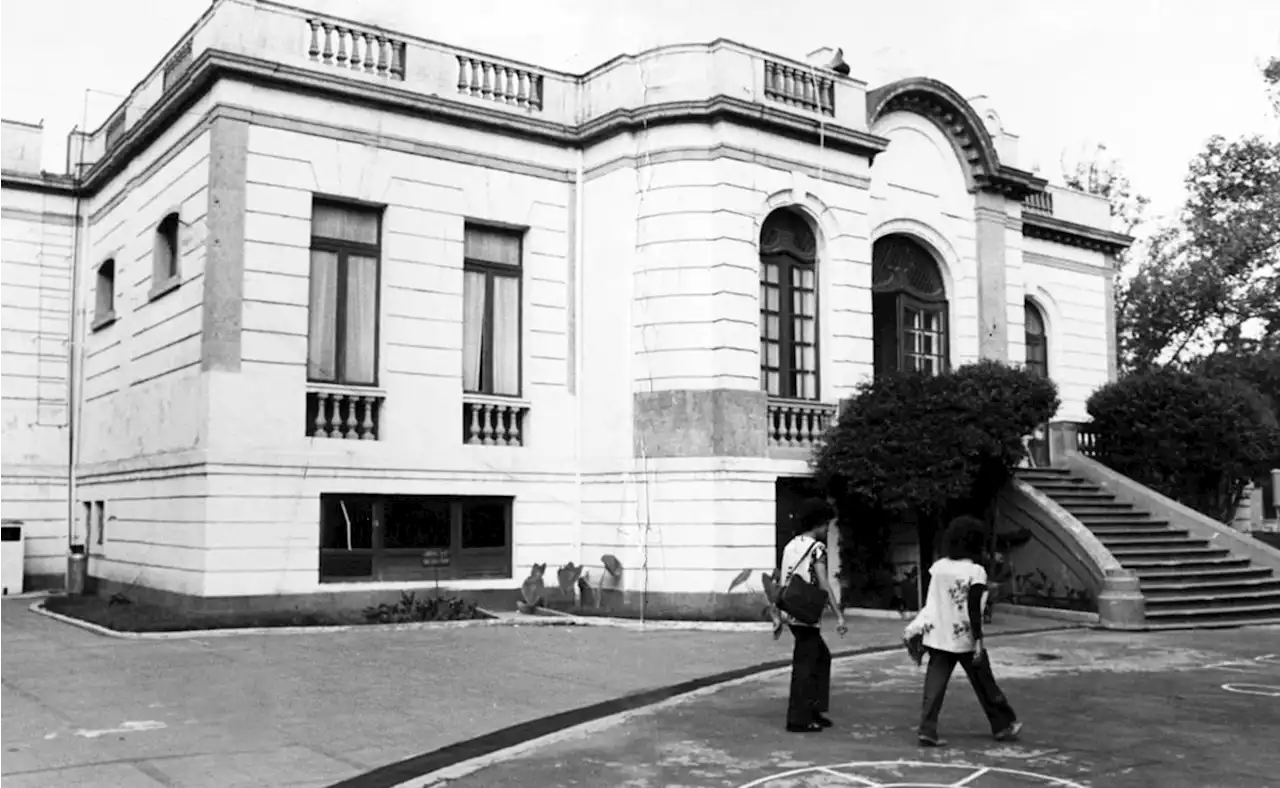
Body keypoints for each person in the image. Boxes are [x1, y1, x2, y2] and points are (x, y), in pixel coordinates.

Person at [904, 515, 1021, 747]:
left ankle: (927, 729)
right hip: (964, 637)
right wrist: (978, 640)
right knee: (984, 683)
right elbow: (973, 609)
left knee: (934, 686)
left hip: (938, 635)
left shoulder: (938, 568)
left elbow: (933, 601)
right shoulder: (975, 571)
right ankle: (1003, 725)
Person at [777, 497, 847, 733]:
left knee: (819, 657)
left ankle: (813, 709)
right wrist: (838, 614)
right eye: (826, 523)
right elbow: (824, 583)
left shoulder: (790, 545)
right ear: (818, 523)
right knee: (806, 664)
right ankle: (799, 717)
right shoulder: (817, 548)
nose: (827, 529)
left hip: (793, 611)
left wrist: (777, 615)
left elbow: (783, 579)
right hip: (808, 613)